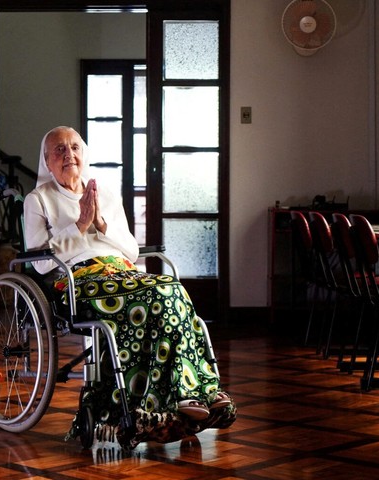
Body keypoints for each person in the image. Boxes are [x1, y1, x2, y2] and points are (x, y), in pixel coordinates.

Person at [23, 126, 236, 448]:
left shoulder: (105, 193)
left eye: (75, 147)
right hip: (77, 281)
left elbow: (131, 250)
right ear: (47, 162)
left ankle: (195, 391)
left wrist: (101, 224)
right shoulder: (38, 199)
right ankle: (171, 398)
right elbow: (40, 262)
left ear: (85, 153)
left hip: (121, 273)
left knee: (169, 289)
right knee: (157, 293)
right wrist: (79, 224)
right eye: (59, 150)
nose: (69, 155)